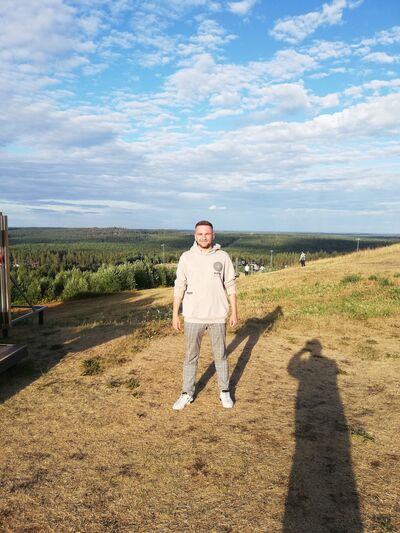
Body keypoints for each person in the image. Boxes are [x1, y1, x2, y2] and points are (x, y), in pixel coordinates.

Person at [172, 220, 238, 410]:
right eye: (200, 234)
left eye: (207, 234)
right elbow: (179, 286)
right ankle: (187, 393)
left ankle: (224, 391)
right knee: (190, 357)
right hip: (193, 316)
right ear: (195, 236)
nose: (203, 237)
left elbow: (230, 285)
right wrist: (175, 314)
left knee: (221, 356)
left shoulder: (223, 257)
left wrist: (234, 312)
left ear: (213, 235)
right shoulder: (186, 257)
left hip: (217, 316)